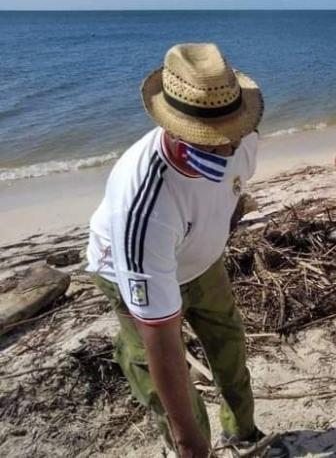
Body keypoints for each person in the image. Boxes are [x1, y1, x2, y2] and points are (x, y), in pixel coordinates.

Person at [86, 43, 286, 458]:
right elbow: (161, 338)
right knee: (159, 376)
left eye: (233, 133)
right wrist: (189, 442)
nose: (229, 148)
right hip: (131, 267)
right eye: (212, 140)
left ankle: (244, 433)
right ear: (176, 128)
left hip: (202, 260)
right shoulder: (146, 202)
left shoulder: (242, 140)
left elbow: (233, 195)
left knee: (228, 344)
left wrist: (218, 236)